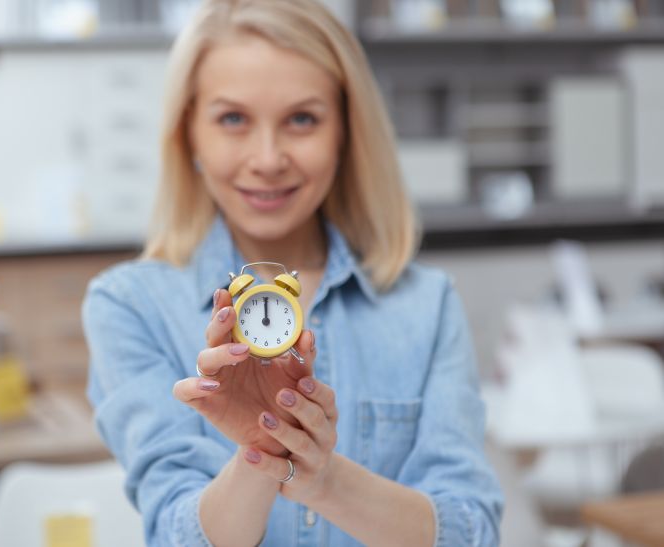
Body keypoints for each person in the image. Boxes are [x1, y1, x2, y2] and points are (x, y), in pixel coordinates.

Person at [83, 0, 503, 545]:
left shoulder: (425, 305)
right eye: (233, 119)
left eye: (301, 119)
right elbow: (173, 531)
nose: (268, 157)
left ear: (347, 132)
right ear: (189, 133)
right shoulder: (130, 305)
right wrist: (262, 455)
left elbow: (471, 531)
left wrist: (322, 478)